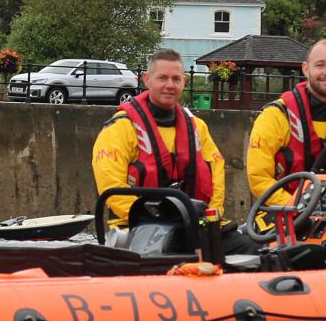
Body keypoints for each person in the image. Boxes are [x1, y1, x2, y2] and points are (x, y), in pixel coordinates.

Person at [247, 38, 326, 233]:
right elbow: (258, 177)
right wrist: (297, 209)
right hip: (289, 216)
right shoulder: (275, 116)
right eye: (320, 65)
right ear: (306, 69)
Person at [91, 49, 226, 234]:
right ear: (147, 79)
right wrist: (158, 218)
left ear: (184, 82)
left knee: (246, 248)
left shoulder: (197, 127)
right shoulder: (121, 127)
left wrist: (212, 217)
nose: (170, 85)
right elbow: (111, 186)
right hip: (138, 227)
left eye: (176, 79)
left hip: (193, 224)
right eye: (163, 78)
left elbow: (217, 172)